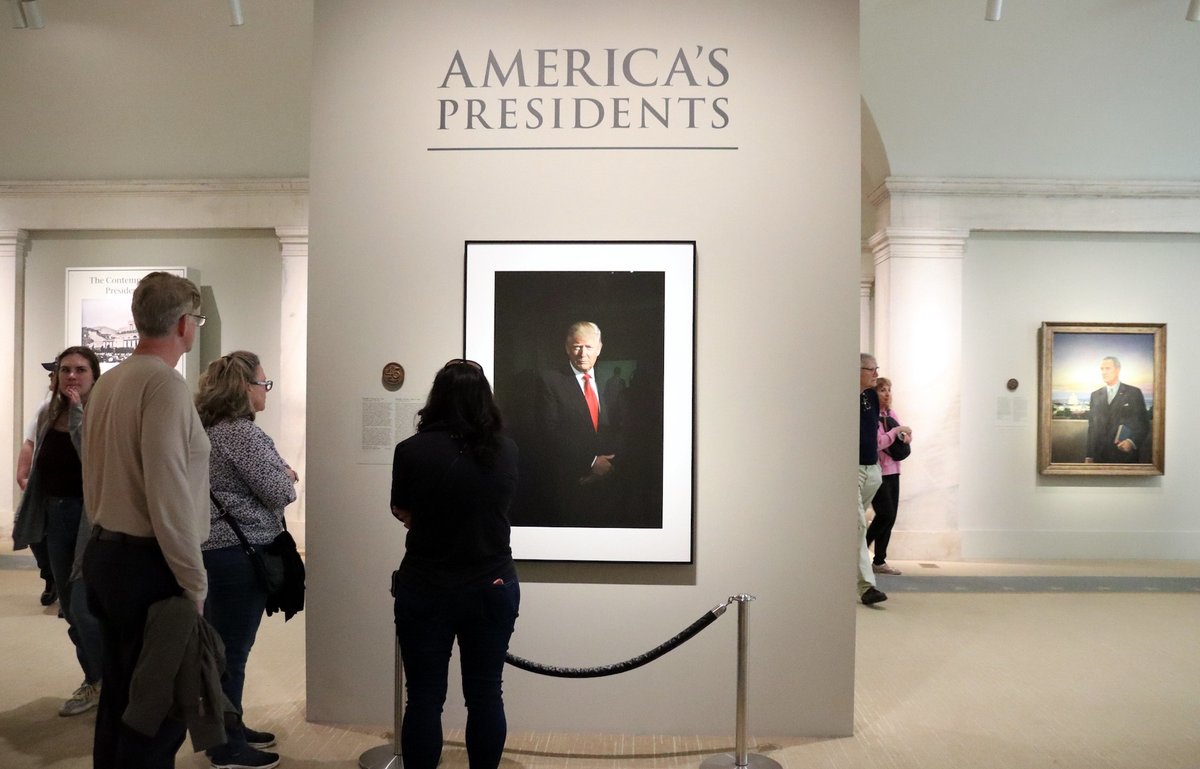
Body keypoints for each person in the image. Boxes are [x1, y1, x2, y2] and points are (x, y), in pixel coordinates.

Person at [81, 272, 212, 769]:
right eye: (195, 320)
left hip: (106, 555)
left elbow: (94, 478)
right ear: (183, 324)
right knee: (156, 712)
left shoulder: (111, 381)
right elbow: (168, 494)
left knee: (120, 698)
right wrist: (194, 583)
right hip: (149, 567)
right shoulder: (164, 385)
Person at [390, 359, 520, 769]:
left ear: (437, 397)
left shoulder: (411, 451)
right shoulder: (506, 450)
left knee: (424, 697)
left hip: (426, 584)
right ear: (485, 399)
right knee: (485, 693)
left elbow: (402, 511)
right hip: (492, 584)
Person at [195, 351, 296, 769]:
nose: (266, 390)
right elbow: (280, 491)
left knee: (225, 649)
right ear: (244, 388)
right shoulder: (240, 435)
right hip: (238, 554)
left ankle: (230, 728)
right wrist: (287, 474)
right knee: (230, 652)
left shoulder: (210, 430)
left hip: (219, 552)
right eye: (263, 383)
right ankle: (226, 746)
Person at [12, 346, 106, 715]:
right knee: (68, 607)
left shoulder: (99, 414)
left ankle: (108, 678)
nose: (71, 376)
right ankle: (94, 679)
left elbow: (92, 461)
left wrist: (79, 412)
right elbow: (36, 455)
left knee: (84, 606)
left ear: (94, 376)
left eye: (81, 370)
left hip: (91, 519)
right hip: (55, 518)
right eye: (65, 370)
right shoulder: (49, 412)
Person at [531, 321, 623, 527]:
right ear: (567, 348)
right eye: (577, 346)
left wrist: (609, 464)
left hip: (609, 483)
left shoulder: (608, 381)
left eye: (589, 347)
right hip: (570, 482)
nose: (583, 353)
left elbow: (618, 426)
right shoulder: (550, 380)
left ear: (599, 349)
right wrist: (590, 462)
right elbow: (548, 433)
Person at [16, 362, 59, 607]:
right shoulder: (46, 407)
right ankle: (50, 576)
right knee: (37, 533)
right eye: (56, 373)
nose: (53, 377)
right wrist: (23, 473)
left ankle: (67, 589)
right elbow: (30, 440)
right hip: (45, 482)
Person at [868, 377, 912, 577]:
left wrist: (905, 435)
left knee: (890, 517)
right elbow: (878, 443)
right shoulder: (871, 416)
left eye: (889, 390)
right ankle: (858, 552)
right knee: (884, 514)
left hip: (894, 471)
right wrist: (896, 431)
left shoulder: (891, 414)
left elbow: (901, 437)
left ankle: (879, 561)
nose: (887, 393)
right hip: (879, 472)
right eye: (882, 390)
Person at [858, 354, 888, 606]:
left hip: (871, 470)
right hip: (852, 470)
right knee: (858, 526)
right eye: (871, 369)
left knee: (851, 530)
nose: (876, 374)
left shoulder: (871, 397)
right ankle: (867, 587)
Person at [1085, 356, 1151, 464]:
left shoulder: (1134, 393)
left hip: (1125, 457)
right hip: (1099, 457)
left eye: (1107, 368)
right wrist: (1089, 455)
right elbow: (1092, 428)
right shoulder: (1095, 395)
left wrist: (1131, 441)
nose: (1104, 372)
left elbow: (1144, 423)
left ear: (1118, 370)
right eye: (1102, 369)